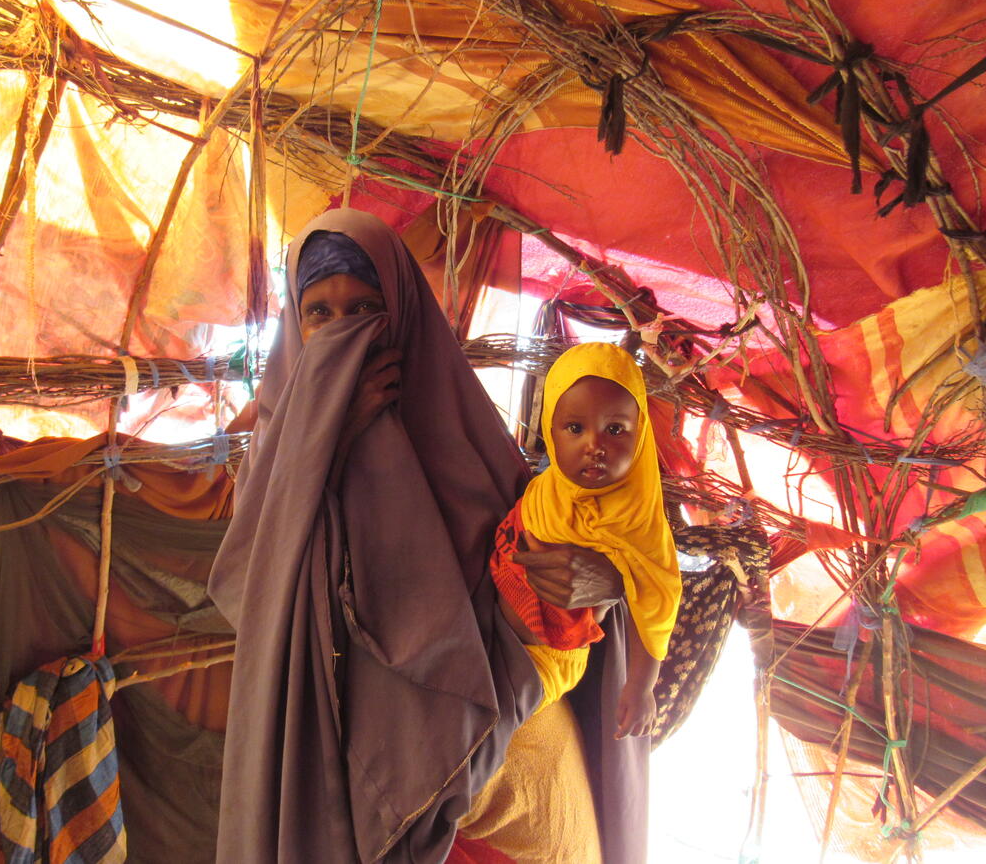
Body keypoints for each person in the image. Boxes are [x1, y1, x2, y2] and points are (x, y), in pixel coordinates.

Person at [208, 208, 649, 863]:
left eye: (364, 308)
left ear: (403, 314)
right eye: (320, 314)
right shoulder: (271, 473)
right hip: (351, 798)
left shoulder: (467, 446)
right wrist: (325, 452)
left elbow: (565, 614)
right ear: (295, 329)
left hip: (507, 804)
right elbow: (262, 605)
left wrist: (586, 586)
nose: (342, 333)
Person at [490, 343, 681, 738]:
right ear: (550, 430)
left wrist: (641, 687)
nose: (594, 445)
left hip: (546, 661)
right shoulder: (547, 487)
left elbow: (658, 603)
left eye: (615, 430)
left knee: (481, 731)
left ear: (640, 433)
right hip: (490, 622)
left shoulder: (636, 519)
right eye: (575, 428)